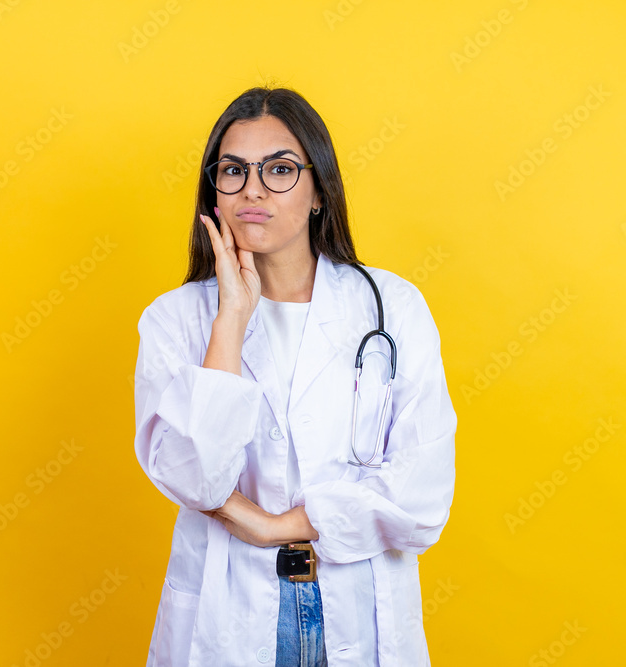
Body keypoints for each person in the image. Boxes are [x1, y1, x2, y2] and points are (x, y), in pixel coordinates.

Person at [133, 86, 457, 667]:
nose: (252, 189)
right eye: (233, 170)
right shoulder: (175, 320)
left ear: (318, 192)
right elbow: (198, 479)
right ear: (214, 191)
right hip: (229, 612)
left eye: (279, 169)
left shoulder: (393, 308)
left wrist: (272, 526)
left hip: (356, 606)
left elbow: (422, 495)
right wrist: (231, 319)